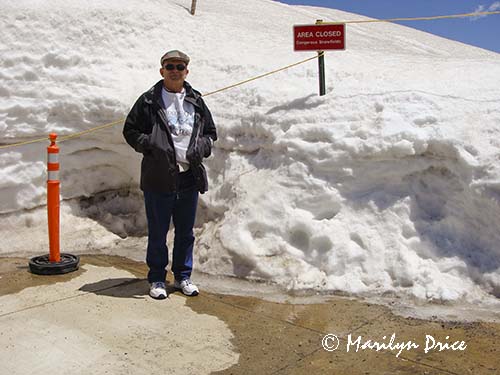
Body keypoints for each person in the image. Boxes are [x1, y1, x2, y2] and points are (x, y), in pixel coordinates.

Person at [123, 50, 217, 299]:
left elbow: (210, 132)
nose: (175, 70)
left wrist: (202, 147)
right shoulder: (149, 100)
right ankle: (156, 279)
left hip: (189, 176)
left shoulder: (195, 100)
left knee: (186, 232)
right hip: (158, 175)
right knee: (158, 231)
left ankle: (183, 277)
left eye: (180, 66)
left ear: (186, 71)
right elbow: (130, 129)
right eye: (170, 66)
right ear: (161, 70)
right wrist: (151, 145)